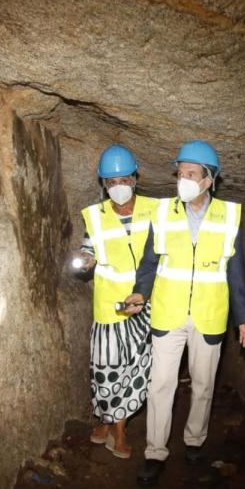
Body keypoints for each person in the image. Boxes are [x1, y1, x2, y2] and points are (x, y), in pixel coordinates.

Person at [121, 140, 245, 487]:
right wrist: (140, 292)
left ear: (209, 179)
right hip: (169, 314)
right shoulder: (163, 213)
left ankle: (195, 441)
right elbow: (149, 263)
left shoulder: (229, 216)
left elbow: (236, 272)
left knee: (203, 385)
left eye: (191, 174)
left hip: (209, 316)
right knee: (160, 385)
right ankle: (155, 452)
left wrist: (244, 318)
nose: (183, 179)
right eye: (180, 173)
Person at [78, 144, 159, 459]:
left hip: (144, 307)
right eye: (112, 182)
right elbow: (89, 249)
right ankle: (105, 420)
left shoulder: (156, 210)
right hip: (110, 308)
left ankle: (119, 431)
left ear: (135, 178)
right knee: (105, 370)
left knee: (136, 370)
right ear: (103, 184)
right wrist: (85, 259)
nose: (119, 187)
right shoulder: (95, 216)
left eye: (124, 180)